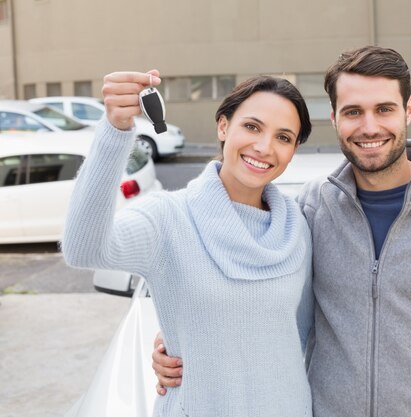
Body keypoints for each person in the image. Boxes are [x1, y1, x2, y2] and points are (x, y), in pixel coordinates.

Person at [153, 46, 411, 417]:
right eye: (353, 112)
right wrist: (179, 338)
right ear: (334, 118)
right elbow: (251, 299)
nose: (369, 127)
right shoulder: (309, 209)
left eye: (384, 109)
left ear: (408, 110)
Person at [62, 71, 315, 416]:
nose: (264, 147)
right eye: (252, 127)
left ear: (293, 150)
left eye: (283, 137)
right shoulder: (168, 218)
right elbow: (83, 249)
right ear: (223, 127)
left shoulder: (297, 227)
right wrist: (116, 130)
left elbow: (298, 338)